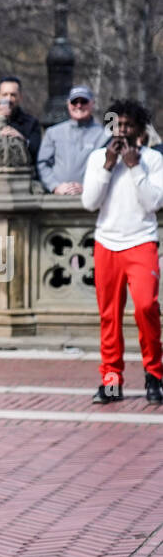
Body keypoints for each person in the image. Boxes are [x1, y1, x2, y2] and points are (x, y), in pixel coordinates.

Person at [80, 99, 163, 405]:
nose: (122, 131)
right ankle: (111, 381)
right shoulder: (97, 159)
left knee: (145, 307)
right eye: (117, 125)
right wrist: (107, 166)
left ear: (139, 130)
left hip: (140, 242)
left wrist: (134, 167)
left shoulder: (153, 160)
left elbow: (154, 202)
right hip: (107, 244)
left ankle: (155, 375)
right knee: (109, 316)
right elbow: (89, 202)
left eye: (128, 125)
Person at [38, 86, 108, 195]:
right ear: (68, 104)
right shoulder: (53, 133)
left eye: (83, 101)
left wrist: (88, 188)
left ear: (92, 103)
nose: (79, 105)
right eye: (74, 102)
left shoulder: (104, 135)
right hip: (58, 199)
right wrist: (55, 186)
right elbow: (42, 164)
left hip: (91, 199)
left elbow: (108, 168)